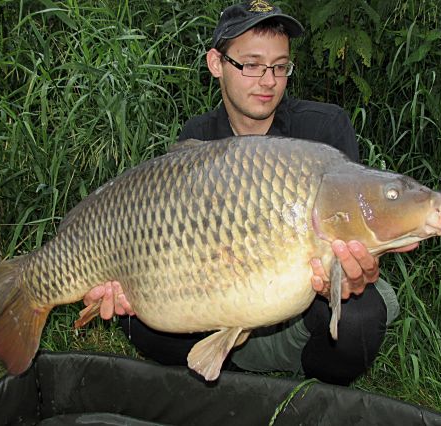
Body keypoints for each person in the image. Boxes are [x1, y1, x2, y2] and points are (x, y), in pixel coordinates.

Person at [83, 1, 417, 385]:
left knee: (361, 313)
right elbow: (173, 248)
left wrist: (353, 268)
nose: (268, 80)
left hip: (304, 320)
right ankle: (233, 373)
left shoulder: (324, 128)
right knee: (136, 311)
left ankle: (314, 389)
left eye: (279, 66)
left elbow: (353, 229)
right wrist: (130, 284)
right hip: (222, 299)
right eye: (252, 65)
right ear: (216, 64)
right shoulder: (199, 138)